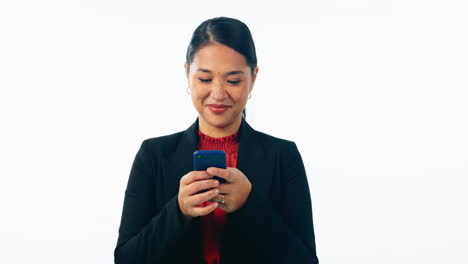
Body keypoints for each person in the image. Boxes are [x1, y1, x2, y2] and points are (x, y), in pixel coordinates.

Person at [114, 17, 319, 264]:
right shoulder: (154, 155)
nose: (218, 94)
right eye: (205, 79)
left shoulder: (283, 156)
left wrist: (249, 204)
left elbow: (306, 260)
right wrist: (178, 211)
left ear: (253, 78)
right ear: (187, 74)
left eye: (233, 80)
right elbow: (126, 259)